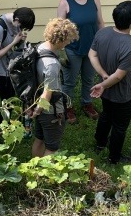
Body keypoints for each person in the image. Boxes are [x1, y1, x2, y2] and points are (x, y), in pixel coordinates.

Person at [89, 0, 131, 164]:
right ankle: (114, 157)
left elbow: (92, 55)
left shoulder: (102, 33)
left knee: (106, 116)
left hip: (105, 91)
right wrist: (105, 82)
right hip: (122, 95)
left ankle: (100, 144)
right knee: (119, 126)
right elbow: (118, 76)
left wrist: (103, 77)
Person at [57, 0, 105, 124]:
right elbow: (60, 29)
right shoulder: (65, 2)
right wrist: (61, 50)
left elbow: (99, 22)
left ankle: (87, 103)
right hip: (73, 50)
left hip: (92, 49)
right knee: (69, 82)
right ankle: (68, 107)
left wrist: (103, 42)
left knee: (89, 80)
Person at [31, 18, 79, 158]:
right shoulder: (51, 64)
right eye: (68, 39)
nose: (69, 43)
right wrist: (39, 111)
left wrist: (35, 110)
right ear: (60, 39)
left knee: (39, 140)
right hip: (50, 111)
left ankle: (34, 170)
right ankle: (45, 177)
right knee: (51, 148)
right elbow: (47, 93)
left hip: (37, 105)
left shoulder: (40, 48)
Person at [0, 7, 36, 139]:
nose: (21, 29)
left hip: (11, 69)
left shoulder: (17, 23)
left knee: (10, 102)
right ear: (16, 19)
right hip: (0, 72)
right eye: (22, 27)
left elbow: (16, 46)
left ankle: (3, 131)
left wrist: (21, 40)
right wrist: (14, 42)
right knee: (7, 104)